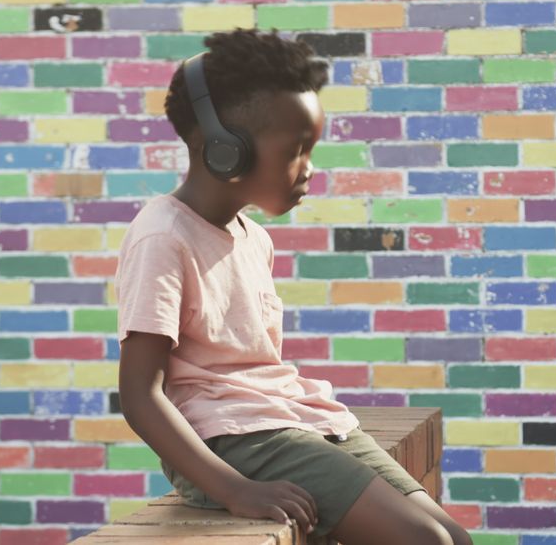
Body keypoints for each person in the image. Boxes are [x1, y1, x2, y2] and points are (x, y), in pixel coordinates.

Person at [115, 28, 471, 545]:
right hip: (235, 444)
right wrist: (235, 489)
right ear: (224, 150)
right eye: (297, 150)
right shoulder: (161, 237)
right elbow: (139, 395)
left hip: (297, 422)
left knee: (453, 539)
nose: (310, 170)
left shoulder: (254, 238)